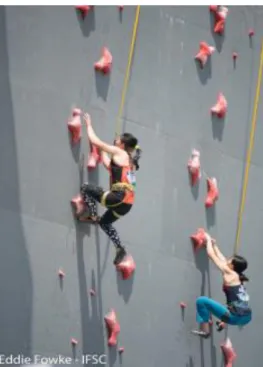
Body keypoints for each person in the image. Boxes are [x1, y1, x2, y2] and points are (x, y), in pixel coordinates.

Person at [77, 113, 141, 265]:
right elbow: (108, 165)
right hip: (127, 204)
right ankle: (120, 248)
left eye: (118, 139)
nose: (116, 139)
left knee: (86, 188)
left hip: (118, 196)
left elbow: (96, 141)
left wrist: (89, 125)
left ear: (122, 144)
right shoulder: (126, 160)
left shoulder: (120, 152)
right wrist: (102, 151)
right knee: (105, 223)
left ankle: (91, 215)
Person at [192, 232, 252, 338]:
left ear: (232, 266)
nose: (227, 259)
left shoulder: (229, 274)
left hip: (236, 317)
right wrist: (214, 245)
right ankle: (223, 321)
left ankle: (205, 331)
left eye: (230, 260)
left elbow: (212, 256)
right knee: (231, 306)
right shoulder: (237, 275)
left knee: (201, 301)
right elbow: (222, 259)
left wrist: (208, 239)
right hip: (246, 317)